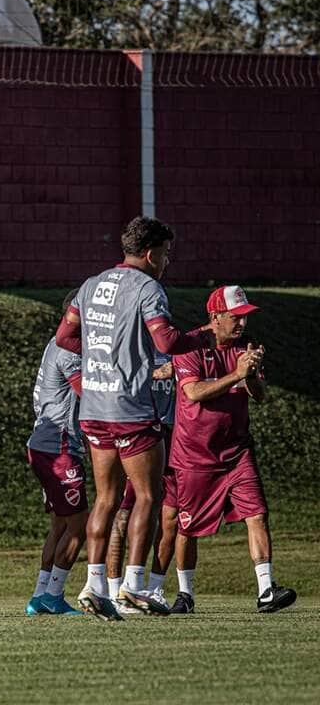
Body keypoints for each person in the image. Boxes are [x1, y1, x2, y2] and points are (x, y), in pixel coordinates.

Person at [56, 215, 209, 620]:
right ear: (149, 252)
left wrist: (99, 357)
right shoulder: (147, 286)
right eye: (166, 254)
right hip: (131, 408)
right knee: (148, 496)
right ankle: (133, 586)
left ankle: (93, 585)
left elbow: (64, 338)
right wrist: (204, 335)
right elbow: (167, 341)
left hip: (93, 409)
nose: (167, 262)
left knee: (106, 498)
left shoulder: (90, 285)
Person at [171, 286, 295, 614]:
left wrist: (251, 373)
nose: (241, 324)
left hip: (237, 451)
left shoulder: (245, 347)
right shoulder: (189, 345)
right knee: (187, 527)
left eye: (244, 317)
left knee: (257, 514)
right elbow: (195, 392)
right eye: (235, 317)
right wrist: (236, 373)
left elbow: (260, 395)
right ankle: (185, 595)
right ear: (215, 318)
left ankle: (267, 589)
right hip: (194, 456)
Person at [25, 290, 87, 617]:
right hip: (60, 445)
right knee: (81, 527)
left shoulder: (55, 343)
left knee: (60, 526)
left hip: (42, 442)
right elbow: (87, 396)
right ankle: (55, 594)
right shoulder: (69, 352)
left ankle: (39, 596)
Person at [106, 353, 177, 614]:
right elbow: (114, 381)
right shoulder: (132, 347)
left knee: (169, 511)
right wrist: (157, 373)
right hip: (137, 431)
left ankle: (152, 588)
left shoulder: (173, 346)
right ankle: (115, 591)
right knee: (124, 510)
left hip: (170, 434)